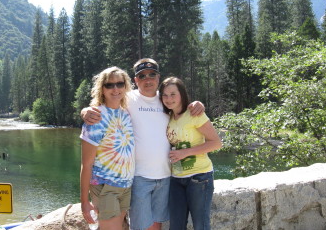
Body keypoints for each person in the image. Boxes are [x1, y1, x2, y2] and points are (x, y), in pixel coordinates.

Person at [82, 58, 205, 230]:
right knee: (140, 226)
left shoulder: (165, 100)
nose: (148, 79)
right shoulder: (128, 99)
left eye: (152, 75)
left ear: (158, 78)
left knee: (156, 225)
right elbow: (106, 103)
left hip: (165, 176)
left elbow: (183, 110)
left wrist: (197, 104)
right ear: (135, 80)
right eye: (142, 76)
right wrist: (86, 111)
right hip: (138, 177)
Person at [159, 77, 222, 230]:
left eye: (173, 94)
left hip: (199, 178)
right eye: (165, 95)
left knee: (200, 225)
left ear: (182, 94)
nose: (169, 99)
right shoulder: (169, 117)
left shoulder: (194, 114)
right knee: (176, 226)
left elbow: (216, 143)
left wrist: (185, 153)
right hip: (176, 179)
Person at [80, 66, 136, 230]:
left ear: (126, 86)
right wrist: (84, 201)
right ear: (102, 89)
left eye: (120, 84)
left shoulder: (126, 113)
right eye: (109, 85)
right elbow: (86, 164)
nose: (115, 89)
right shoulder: (95, 117)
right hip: (105, 186)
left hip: (125, 186)